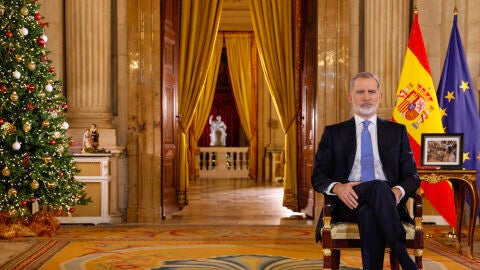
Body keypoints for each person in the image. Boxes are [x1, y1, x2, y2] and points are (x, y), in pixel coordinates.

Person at [311, 72, 420, 270]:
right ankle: (403, 256)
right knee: (378, 188)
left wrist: (397, 191)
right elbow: (318, 176)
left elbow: (412, 176)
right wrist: (337, 188)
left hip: (387, 201)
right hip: (348, 202)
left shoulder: (397, 132)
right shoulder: (334, 133)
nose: (366, 97)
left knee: (371, 208)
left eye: (371, 91)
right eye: (360, 92)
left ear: (380, 96)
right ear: (350, 97)